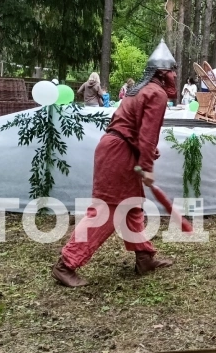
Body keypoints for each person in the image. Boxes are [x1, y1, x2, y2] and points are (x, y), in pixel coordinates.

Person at [52, 42, 177, 287]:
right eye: (172, 71)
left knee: (132, 205)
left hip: (117, 148)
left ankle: (144, 257)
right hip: (119, 153)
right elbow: (149, 134)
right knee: (107, 209)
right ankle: (66, 264)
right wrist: (147, 165)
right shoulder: (156, 93)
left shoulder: (140, 90)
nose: (174, 76)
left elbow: (137, 131)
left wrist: (147, 153)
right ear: (163, 73)